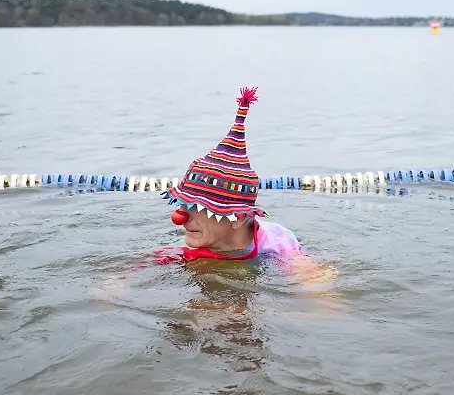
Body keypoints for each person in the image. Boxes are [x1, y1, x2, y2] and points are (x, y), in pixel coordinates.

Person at [129, 86, 336, 284]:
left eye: (196, 207)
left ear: (238, 217)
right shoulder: (185, 246)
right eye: (182, 203)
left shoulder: (277, 244)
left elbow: (319, 290)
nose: (179, 216)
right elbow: (137, 272)